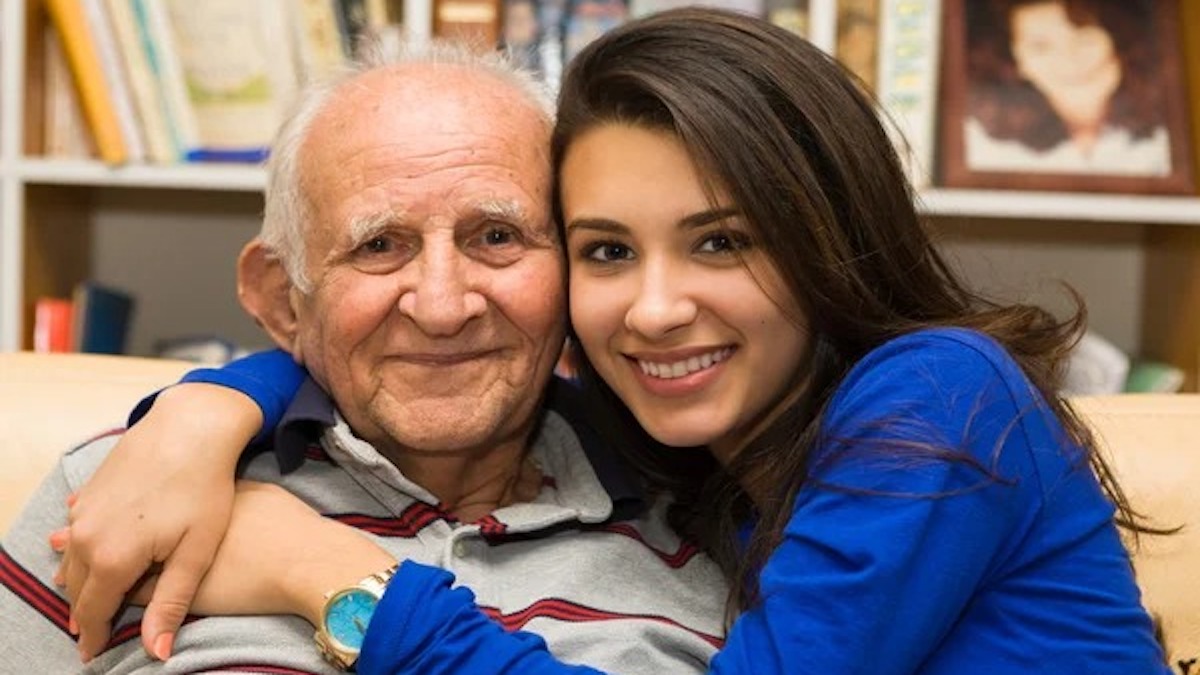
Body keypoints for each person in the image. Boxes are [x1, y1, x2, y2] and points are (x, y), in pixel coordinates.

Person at [58, 7, 1169, 673]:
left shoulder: (938, 397)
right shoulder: (675, 447)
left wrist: (331, 575)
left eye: (722, 241)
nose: (651, 309)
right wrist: (219, 404)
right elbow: (416, 355)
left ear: (827, 240)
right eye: (605, 252)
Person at [0, 39, 728, 673]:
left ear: (577, 268)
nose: (443, 307)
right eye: (379, 245)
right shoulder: (128, 494)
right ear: (285, 299)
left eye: (497, 236)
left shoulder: (714, 524)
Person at [964, 0, 1172, 175]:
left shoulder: (1168, 137)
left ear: (1118, 42)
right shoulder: (983, 147)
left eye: (1084, 38)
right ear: (1017, 63)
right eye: (1040, 47)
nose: (1069, 60)